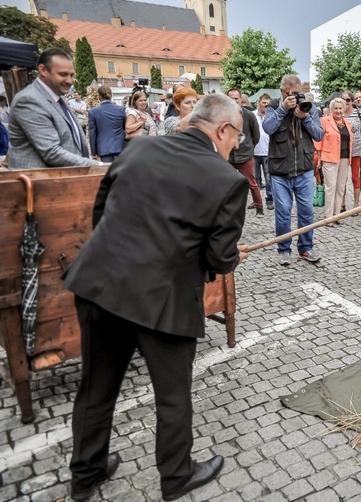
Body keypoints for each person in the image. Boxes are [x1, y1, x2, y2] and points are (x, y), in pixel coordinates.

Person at [63, 94, 249, 502]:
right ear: (221, 130)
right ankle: (176, 476)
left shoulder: (139, 148)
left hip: (100, 284)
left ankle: (85, 476)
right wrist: (232, 254)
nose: (236, 145)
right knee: (172, 394)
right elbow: (218, 258)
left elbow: (102, 211)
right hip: (162, 300)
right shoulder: (228, 182)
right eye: (236, 136)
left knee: (96, 389)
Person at [262, 74, 324, 266]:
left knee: (306, 212)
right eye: (288, 93)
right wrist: (283, 110)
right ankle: (283, 250)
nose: (293, 97)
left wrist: (304, 117)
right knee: (283, 213)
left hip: (304, 169)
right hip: (280, 171)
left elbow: (319, 134)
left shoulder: (308, 107)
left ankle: (305, 249)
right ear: (282, 92)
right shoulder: (273, 106)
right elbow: (267, 128)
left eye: (296, 93)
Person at [8, 48, 92, 169]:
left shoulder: (59, 98)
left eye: (72, 75)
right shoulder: (29, 99)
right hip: (37, 183)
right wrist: (98, 166)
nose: (70, 81)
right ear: (43, 70)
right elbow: (51, 152)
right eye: (63, 74)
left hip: (62, 180)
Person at [315, 97, 353, 225]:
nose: (338, 111)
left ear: (344, 109)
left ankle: (337, 214)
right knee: (330, 187)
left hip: (345, 157)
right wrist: (319, 157)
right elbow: (318, 140)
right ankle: (328, 216)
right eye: (335, 108)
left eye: (340, 108)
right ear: (331, 109)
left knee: (341, 187)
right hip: (329, 157)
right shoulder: (324, 121)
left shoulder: (347, 123)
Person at [226, 88, 263, 215]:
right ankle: (228, 208)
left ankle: (259, 207)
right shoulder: (221, 116)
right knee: (228, 185)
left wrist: (248, 147)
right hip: (228, 156)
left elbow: (256, 135)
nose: (234, 101)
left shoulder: (249, 115)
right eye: (231, 98)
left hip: (245, 155)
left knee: (252, 184)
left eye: (236, 98)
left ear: (240, 99)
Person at [341, 91, 361, 213]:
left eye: (348, 100)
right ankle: (342, 203)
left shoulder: (358, 113)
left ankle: (356, 204)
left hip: (355, 149)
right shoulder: (339, 113)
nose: (346, 102)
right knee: (342, 178)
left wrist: (359, 139)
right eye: (344, 100)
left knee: (355, 176)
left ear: (352, 101)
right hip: (342, 149)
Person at [87, 85, 126, 163]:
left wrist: (93, 152)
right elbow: (125, 127)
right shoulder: (121, 109)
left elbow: (92, 133)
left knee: (107, 172)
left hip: (104, 147)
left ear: (99, 96)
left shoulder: (93, 112)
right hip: (121, 146)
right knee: (123, 173)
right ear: (111, 95)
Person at [254, 93, 273, 210]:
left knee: (268, 178)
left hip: (268, 151)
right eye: (264, 102)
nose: (265, 105)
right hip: (255, 151)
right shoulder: (252, 115)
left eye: (267, 103)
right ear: (259, 102)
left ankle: (269, 199)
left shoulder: (271, 116)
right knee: (255, 179)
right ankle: (257, 201)